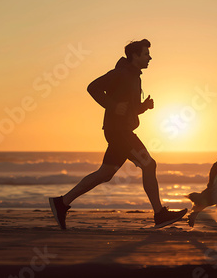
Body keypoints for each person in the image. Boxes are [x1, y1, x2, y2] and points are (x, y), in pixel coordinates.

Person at [49, 39, 187, 230]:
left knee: (105, 174)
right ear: (135, 56)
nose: (150, 57)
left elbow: (129, 109)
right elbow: (92, 87)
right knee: (149, 164)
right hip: (119, 131)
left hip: (121, 131)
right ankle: (159, 214)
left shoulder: (135, 77)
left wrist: (143, 107)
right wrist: (112, 105)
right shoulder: (120, 73)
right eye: (146, 54)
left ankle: (61, 203)